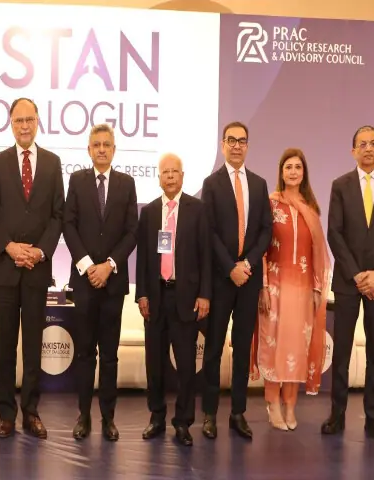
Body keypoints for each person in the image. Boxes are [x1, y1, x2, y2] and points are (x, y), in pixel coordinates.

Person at [0, 97, 65, 439]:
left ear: (38, 121)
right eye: (19, 120)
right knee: (6, 346)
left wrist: (40, 252)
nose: (25, 125)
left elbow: (58, 215)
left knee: (33, 346)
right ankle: (6, 413)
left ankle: (31, 411)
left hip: (36, 270)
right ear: (10, 123)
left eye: (30, 119)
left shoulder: (52, 162)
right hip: (5, 269)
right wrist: (10, 246)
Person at [322, 126, 374, 443]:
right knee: (341, 352)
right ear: (353, 150)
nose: (367, 149)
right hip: (347, 282)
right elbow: (335, 234)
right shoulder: (339, 186)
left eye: (373, 144)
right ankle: (337, 415)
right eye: (362, 144)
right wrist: (358, 274)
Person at [63, 123, 138, 442]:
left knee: (109, 355)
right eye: (97, 144)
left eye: (107, 144)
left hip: (113, 284)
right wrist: (87, 266)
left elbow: (132, 231)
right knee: (84, 354)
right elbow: (69, 224)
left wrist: (108, 266)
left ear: (114, 149)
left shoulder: (126, 183)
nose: (102, 149)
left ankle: (108, 418)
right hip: (83, 282)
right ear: (89, 149)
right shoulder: (77, 181)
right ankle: (83, 416)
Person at [200, 121, 272, 440]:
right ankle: (209, 415)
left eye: (242, 141)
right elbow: (209, 232)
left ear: (248, 145)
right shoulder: (211, 184)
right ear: (222, 144)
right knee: (214, 348)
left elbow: (265, 231)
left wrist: (247, 264)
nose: (237, 146)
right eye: (231, 140)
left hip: (248, 280)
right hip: (220, 279)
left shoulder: (258, 184)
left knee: (242, 348)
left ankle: (238, 413)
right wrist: (230, 266)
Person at [135, 153, 211, 446]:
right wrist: (142, 293)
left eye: (174, 172)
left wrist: (205, 294)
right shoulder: (150, 212)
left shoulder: (197, 209)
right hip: (155, 298)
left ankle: (183, 422)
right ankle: (156, 417)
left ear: (182, 176)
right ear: (158, 177)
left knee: (186, 365)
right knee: (154, 362)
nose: (169, 176)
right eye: (164, 172)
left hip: (186, 299)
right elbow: (143, 258)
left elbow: (205, 255)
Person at [252, 148, 330, 431]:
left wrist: (318, 289)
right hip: (274, 287)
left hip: (303, 291)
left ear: (304, 173)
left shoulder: (312, 211)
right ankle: (272, 403)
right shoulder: (271, 204)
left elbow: (319, 254)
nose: (293, 172)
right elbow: (260, 248)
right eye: (288, 167)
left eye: (298, 167)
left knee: (296, 348)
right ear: (281, 172)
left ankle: (290, 405)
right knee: (274, 347)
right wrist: (261, 285)